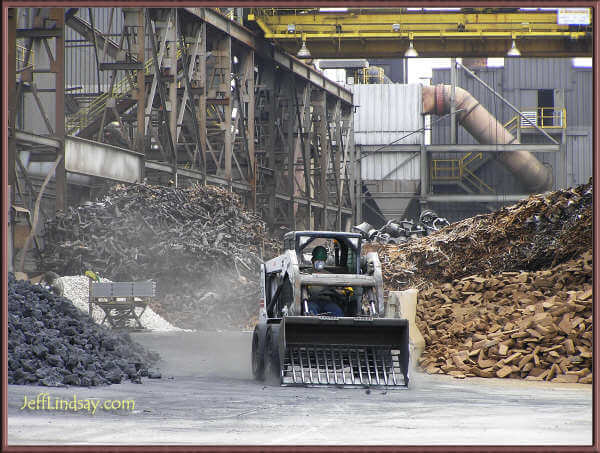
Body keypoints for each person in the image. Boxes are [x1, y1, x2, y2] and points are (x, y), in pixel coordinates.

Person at [306, 245, 344, 317]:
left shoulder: (329, 275)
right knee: (310, 311)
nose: (320, 263)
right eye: (318, 260)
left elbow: (337, 288)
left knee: (337, 311)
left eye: (322, 261)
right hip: (312, 301)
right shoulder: (306, 274)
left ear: (325, 261)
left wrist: (339, 291)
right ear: (312, 260)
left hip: (327, 302)